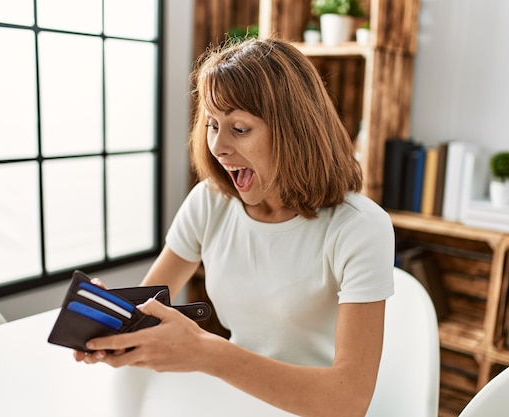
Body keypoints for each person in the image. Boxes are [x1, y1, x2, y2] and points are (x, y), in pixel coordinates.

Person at [75, 37, 395, 417]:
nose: (219, 147)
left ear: (295, 131)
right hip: (238, 399)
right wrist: (111, 321)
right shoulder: (211, 202)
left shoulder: (360, 228)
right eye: (212, 124)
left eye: (240, 128)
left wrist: (206, 352)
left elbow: (347, 401)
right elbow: (149, 307)